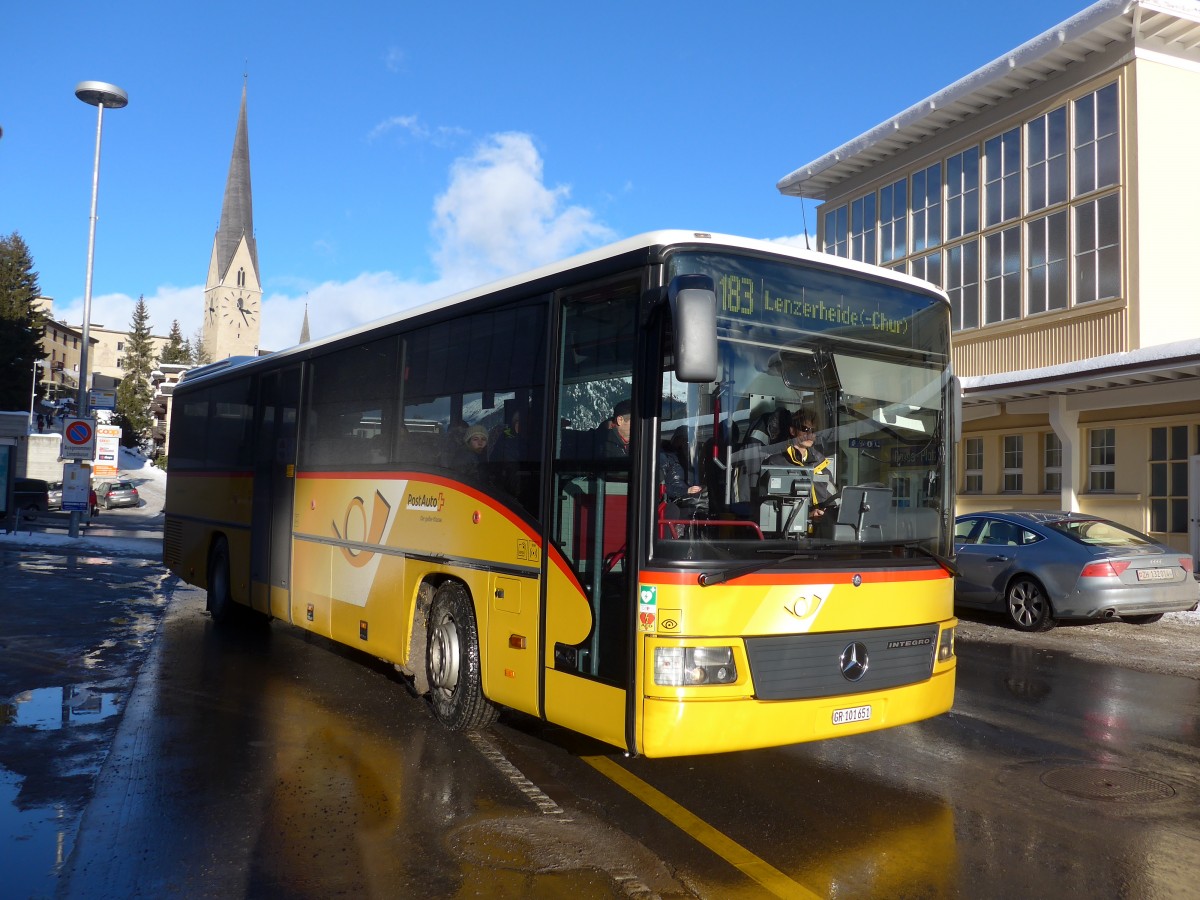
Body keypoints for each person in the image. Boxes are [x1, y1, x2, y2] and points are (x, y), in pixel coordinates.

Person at [764, 410, 835, 518]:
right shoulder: (775, 462)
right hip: (786, 530)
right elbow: (768, 507)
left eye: (814, 430)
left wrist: (825, 513)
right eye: (805, 429)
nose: (810, 434)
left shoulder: (822, 466)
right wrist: (807, 515)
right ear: (792, 431)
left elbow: (834, 502)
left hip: (819, 530)